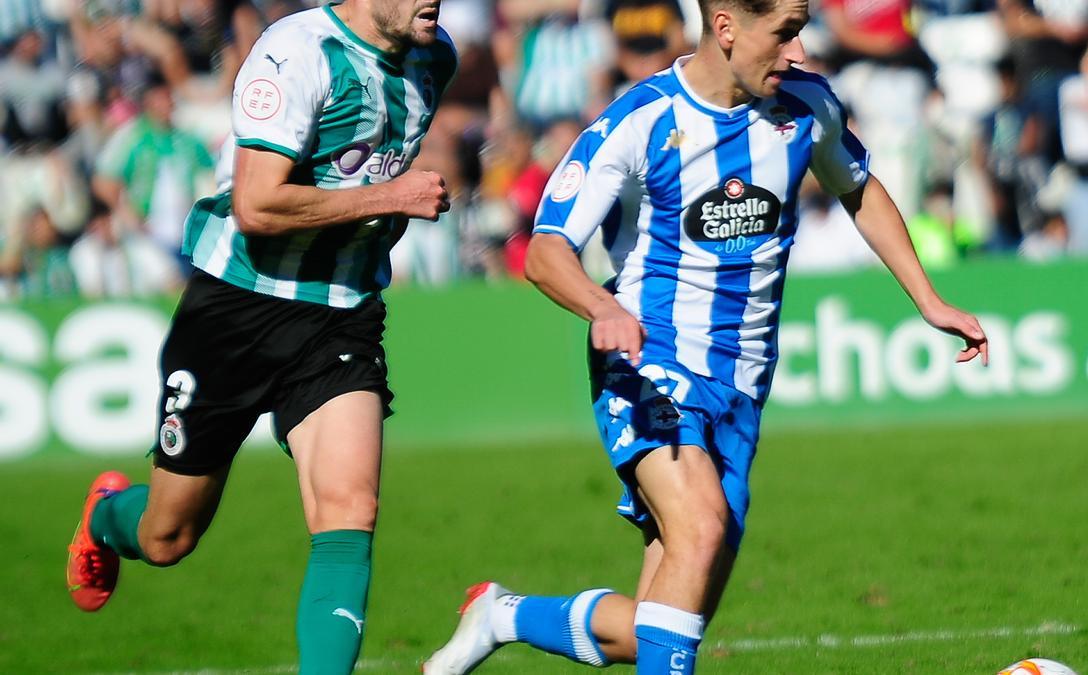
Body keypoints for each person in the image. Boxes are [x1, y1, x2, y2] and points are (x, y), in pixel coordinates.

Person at [422, 0, 988, 673]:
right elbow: (546, 252)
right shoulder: (642, 121)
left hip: (741, 391)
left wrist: (928, 298)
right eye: (781, 36)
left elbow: (859, 189)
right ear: (725, 29)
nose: (794, 54)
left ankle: (503, 612)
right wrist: (603, 307)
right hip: (649, 362)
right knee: (701, 527)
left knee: (658, 626)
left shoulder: (806, 106)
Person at [65, 2, 456, 673]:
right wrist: (388, 197)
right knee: (168, 535)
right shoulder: (295, 53)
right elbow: (257, 204)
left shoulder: (433, 55)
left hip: (341, 309)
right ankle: (107, 515)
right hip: (237, 309)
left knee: (350, 505)